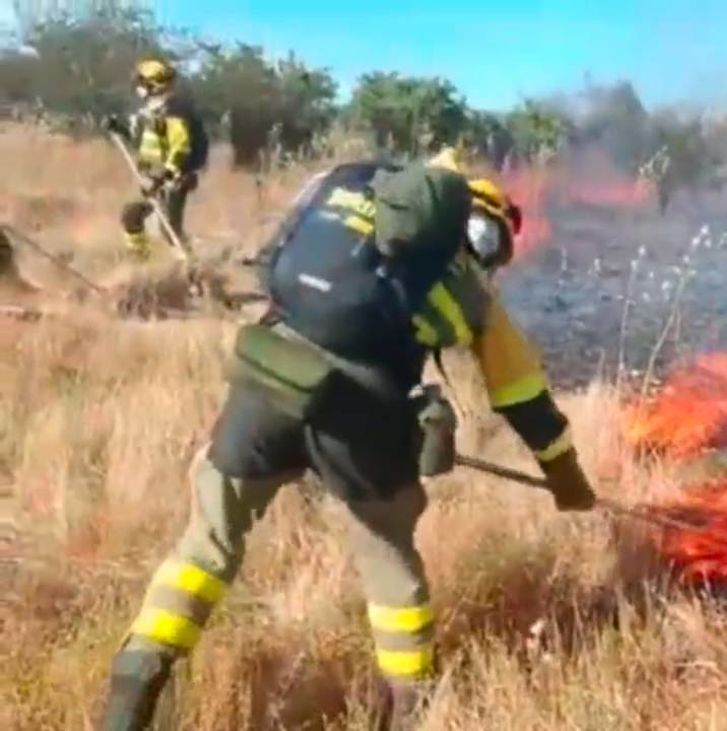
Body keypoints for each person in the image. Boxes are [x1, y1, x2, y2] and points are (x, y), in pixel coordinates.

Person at [100, 150, 595, 731]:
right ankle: (411, 709)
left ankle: (131, 693)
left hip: (264, 386)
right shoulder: (465, 284)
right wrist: (566, 480)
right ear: (478, 231)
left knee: (205, 545)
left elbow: (274, 264)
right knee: (388, 559)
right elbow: (524, 399)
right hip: (364, 418)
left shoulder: (342, 200)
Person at [105, 58, 209, 259]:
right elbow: (142, 140)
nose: (137, 87)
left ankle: (193, 271)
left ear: (152, 84)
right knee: (131, 216)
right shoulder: (149, 110)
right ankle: (141, 262)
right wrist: (118, 128)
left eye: (141, 83)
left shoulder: (175, 111)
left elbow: (181, 146)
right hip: (150, 177)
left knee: (169, 231)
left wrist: (164, 175)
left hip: (173, 179)